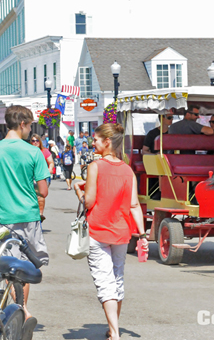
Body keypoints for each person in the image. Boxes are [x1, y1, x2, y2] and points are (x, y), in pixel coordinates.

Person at [73, 123, 148, 340]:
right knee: (117, 279)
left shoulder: (96, 166)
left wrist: (79, 191)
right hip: (121, 232)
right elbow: (134, 205)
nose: (92, 142)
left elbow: (88, 202)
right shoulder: (127, 170)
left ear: (107, 142)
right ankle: (113, 327)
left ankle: (114, 333)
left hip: (98, 231)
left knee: (105, 282)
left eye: (95, 139)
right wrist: (142, 234)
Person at [0, 105, 50, 334]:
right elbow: (44, 190)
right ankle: (22, 309)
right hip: (28, 216)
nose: (31, 130)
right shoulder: (33, 152)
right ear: (22, 124)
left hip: (2, 216)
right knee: (24, 266)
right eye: (30, 126)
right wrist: (24, 185)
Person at [30, 134, 55, 220]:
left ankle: (40, 214)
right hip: (31, 176)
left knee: (40, 195)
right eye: (33, 141)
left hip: (42, 176)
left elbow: (51, 162)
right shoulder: (29, 151)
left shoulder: (44, 151)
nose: (35, 142)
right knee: (32, 196)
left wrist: (50, 168)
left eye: (37, 140)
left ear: (40, 141)